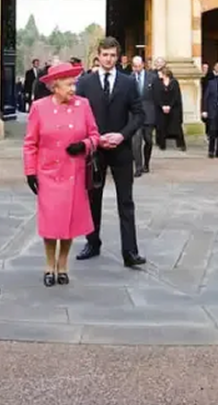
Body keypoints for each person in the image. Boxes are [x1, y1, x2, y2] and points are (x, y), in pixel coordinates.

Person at [23, 62, 100, 286]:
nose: (73, 89)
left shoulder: (83, 105)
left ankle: (63, 265)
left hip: (73, 172)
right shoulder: (39, 107)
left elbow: (96, 136)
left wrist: (84, 145)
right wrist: (30, 171)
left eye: (74, 84)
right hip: (48, 173)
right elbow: (30, 144)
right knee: (51, 223)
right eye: (68, 85)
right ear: (55, 86)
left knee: (69, 223)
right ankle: (49, 265)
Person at [75, 37, 146, 268]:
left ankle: (130, 252)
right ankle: (92, 242)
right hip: (95, 151)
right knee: (93, 199)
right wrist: (95, 138)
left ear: (118, 56)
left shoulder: (128, 83)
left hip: (121, 150)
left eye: (113, 55)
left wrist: (122, 135)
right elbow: (79, 117)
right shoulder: (85, 83)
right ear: (98, 55)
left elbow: (138, 115)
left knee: (126, 201)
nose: (109, 59)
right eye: (105, 55)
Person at [131, 55, 156, 176]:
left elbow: (157, 97)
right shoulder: (129, 79)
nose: (137, 68)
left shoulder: (152, 78)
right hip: (135, 115)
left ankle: (146, 163)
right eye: (134, 66)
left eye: (139, 66)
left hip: (149, 114)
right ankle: (138, 167)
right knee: (136, 142)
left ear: (143, 65)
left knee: (148, 140)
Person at [153, 66, 186, 151]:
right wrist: (162, 106)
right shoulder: (157, 83)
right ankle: (162, 144)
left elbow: (176, 96)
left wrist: (170, 106)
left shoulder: (174, 82)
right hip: (161, 107)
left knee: (177, 126)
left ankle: (181, 144)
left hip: (174, 107)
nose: (158, 74)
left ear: (165, 74)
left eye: (160, 73)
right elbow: (156, 95)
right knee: (162, 126)